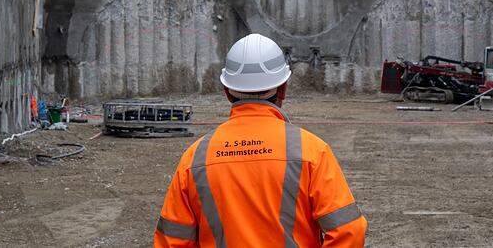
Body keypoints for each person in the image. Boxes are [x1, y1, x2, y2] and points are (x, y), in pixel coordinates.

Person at [155, 33, 367, 247]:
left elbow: (172, 241)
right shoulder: (311, 152)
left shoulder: (195, 158)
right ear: (283, 89)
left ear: (227, 91)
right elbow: (349, 230)